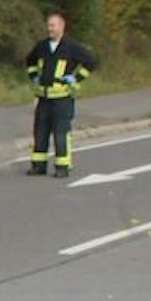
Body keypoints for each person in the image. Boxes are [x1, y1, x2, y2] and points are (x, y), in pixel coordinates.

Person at [23, 10, 99, 178]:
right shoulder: (42, 46)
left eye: (53, 25)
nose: (50, 29)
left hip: (62, 99)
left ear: (62, 27)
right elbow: (30, 61)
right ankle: (38, 166)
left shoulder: (71, 46)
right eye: (48, 25)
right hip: (44, 98)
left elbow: (91, 62)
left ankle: (62, 167)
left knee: (60, 133)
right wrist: (34, 76)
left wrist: (76, 78)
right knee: (40, 132)